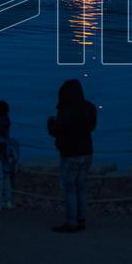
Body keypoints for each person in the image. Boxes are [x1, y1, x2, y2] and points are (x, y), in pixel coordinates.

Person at [47, 79, 97, 233]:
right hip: (86, 152)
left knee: (70, 188)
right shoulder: (89, 107)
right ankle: (81, 219)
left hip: (70, 153)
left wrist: (50, 123)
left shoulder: (65, 109)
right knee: (81, 187)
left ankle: (71, 222)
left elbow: (57, 130)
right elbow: (92, 126)